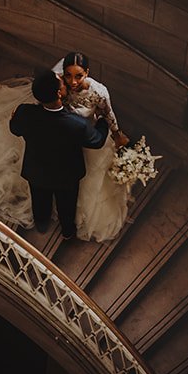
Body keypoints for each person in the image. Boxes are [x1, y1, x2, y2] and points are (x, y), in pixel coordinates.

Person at [8, 71, 109, 239]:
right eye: (62, 83)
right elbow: (97, 141)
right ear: (58, 93)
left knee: (40, 203)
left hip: (37, 172)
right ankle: (68, 232)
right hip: (66, 177)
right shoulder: (76, 124)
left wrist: (14, 119)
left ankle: (41, 225)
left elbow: (15, 129)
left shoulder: (24, 113)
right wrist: (102, 123)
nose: (65, 83)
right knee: (66, 207)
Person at [55, 52, 131, 241]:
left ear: (87, 72)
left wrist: (117, 134)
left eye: (79, 75)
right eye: (68, 75)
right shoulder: (60, 85)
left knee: (89, 178)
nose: (72, 82)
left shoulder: (98, 92)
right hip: (65, 136)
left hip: (87, 136)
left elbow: (108, 114)